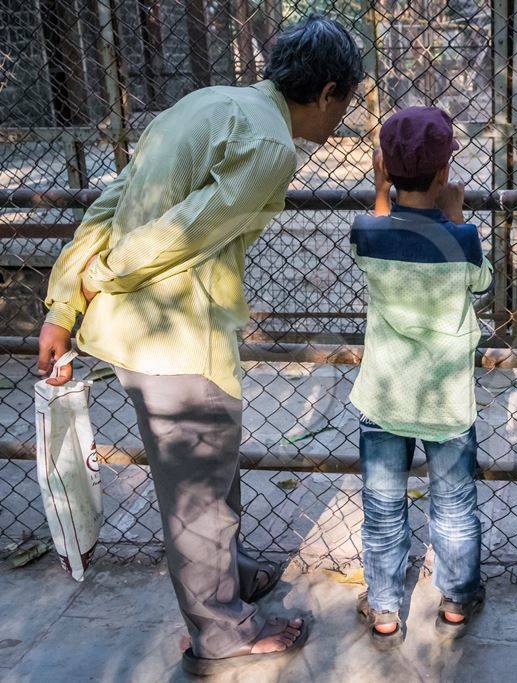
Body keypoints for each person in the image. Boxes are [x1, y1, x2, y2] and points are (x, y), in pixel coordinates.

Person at [36, 15, 363, 676]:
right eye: (346, 104)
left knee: (209, 472)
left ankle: (231, 575)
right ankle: (221, 631)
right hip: (177, 339)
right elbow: (182, 233)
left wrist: (65, 301)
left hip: (128, 332)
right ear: (327, 91)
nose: (342, 120)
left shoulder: (208, 103)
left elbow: (113, 200)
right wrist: (99, 277)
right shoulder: (272, 145)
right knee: (199, 492)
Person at [349, 107, 492, 649]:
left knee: (382, 505)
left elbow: (379, 235)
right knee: (454, 504)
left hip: (384, 398)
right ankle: (456, 597)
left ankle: (385, 606)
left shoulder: (369, 232)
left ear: (385, 167)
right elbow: (480, 285)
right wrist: (454, 218)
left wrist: (382, 190)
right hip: (446, 402)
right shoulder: (463, 239)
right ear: (443, 174)